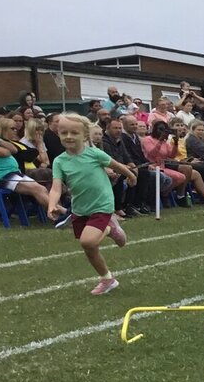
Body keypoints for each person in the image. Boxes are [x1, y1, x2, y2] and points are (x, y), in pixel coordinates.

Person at [46, 115, 137, 295]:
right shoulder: (59, 161)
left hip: (102, 203)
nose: (69, 136)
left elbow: (117, 165)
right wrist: (51, 204)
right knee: (89, 247)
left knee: (87, 240)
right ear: (58, 134)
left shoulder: (94, 154)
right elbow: (56, 187)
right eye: (64, 133)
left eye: (74, 132)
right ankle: (107, 279)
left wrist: (131, 175)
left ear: (85, 135)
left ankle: (110, 228)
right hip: (80, 207)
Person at [0, 117, 49, 211]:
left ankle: (59, 213)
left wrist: (40, 144)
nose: (16, 131)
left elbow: (14, 150)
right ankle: (62, 211)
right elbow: (6, 153)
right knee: (45, 177)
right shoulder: (20, 142)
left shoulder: (11, 143)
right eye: (12, 129)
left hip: (16, 173)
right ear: (3, 129)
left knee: (42, 187)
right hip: (2, 176)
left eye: (16, 129)